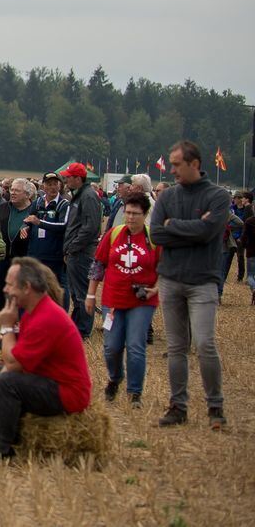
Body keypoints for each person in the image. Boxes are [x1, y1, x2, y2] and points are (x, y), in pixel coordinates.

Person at [0, 257, 92, 476]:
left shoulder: (47, 317)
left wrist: (6, 327)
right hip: (50, 381)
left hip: (67, 393)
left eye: (10, 285)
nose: (4, 289)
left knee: (6, 382)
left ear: (27, 287)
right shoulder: (36, 311)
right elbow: (13, 359)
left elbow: (13, 362)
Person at [149, 140, 230, 429]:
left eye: (176, 164)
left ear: (194, 164)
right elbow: (156, 234)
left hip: (203, 281)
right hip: (170, 280)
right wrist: (187, 228)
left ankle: (215, 406)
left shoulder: (218, 196)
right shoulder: (168, 197)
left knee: (205, 344)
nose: (171, 170)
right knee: (176, 347)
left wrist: (174, 226)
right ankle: (178, 406)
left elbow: (209, 232)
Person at [87, 193, 161, 406]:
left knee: (136, 345)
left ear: (145, 214)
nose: (130, 217)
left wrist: (155, 289)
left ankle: (134, 392)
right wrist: (91, 295)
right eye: (127, 212)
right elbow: (98, 265)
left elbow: (166, 268)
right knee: (111, 346)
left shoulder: (154, 239)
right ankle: (115, 378)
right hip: (113, 299)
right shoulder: (114, 233)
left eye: (135, 214)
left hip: (142, 301)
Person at [61, 163, 103, 340]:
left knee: (82, 293)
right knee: (77, 293)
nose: (66, 179)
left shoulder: (88, 197)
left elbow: (91, 227)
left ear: (78, 179)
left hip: (82, 253)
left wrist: (73, 246)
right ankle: (77, 326)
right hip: (76, 252)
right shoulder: (79, 196)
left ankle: (84, 329)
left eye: (69, 177)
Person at [24, 172, 70, 307]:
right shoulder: (37, 202)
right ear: (43, 186)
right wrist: (25, 227)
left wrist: (40, 223)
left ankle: (61, 316)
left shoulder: (64, 204)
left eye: (55, 184)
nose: (53, 187)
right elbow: (28, 220)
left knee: (57, 288)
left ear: (60, 186)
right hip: (36, 254)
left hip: (54, 256)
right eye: (49, 184)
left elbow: (63, 225)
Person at [0, 178, 36, 309]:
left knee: (22, 294)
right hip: (4, 259)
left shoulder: (35, 211)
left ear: (27, 194)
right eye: (11, 189)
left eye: (17, 191)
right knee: (2, 291)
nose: (12, 193)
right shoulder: (1, 208)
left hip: (24, 261)